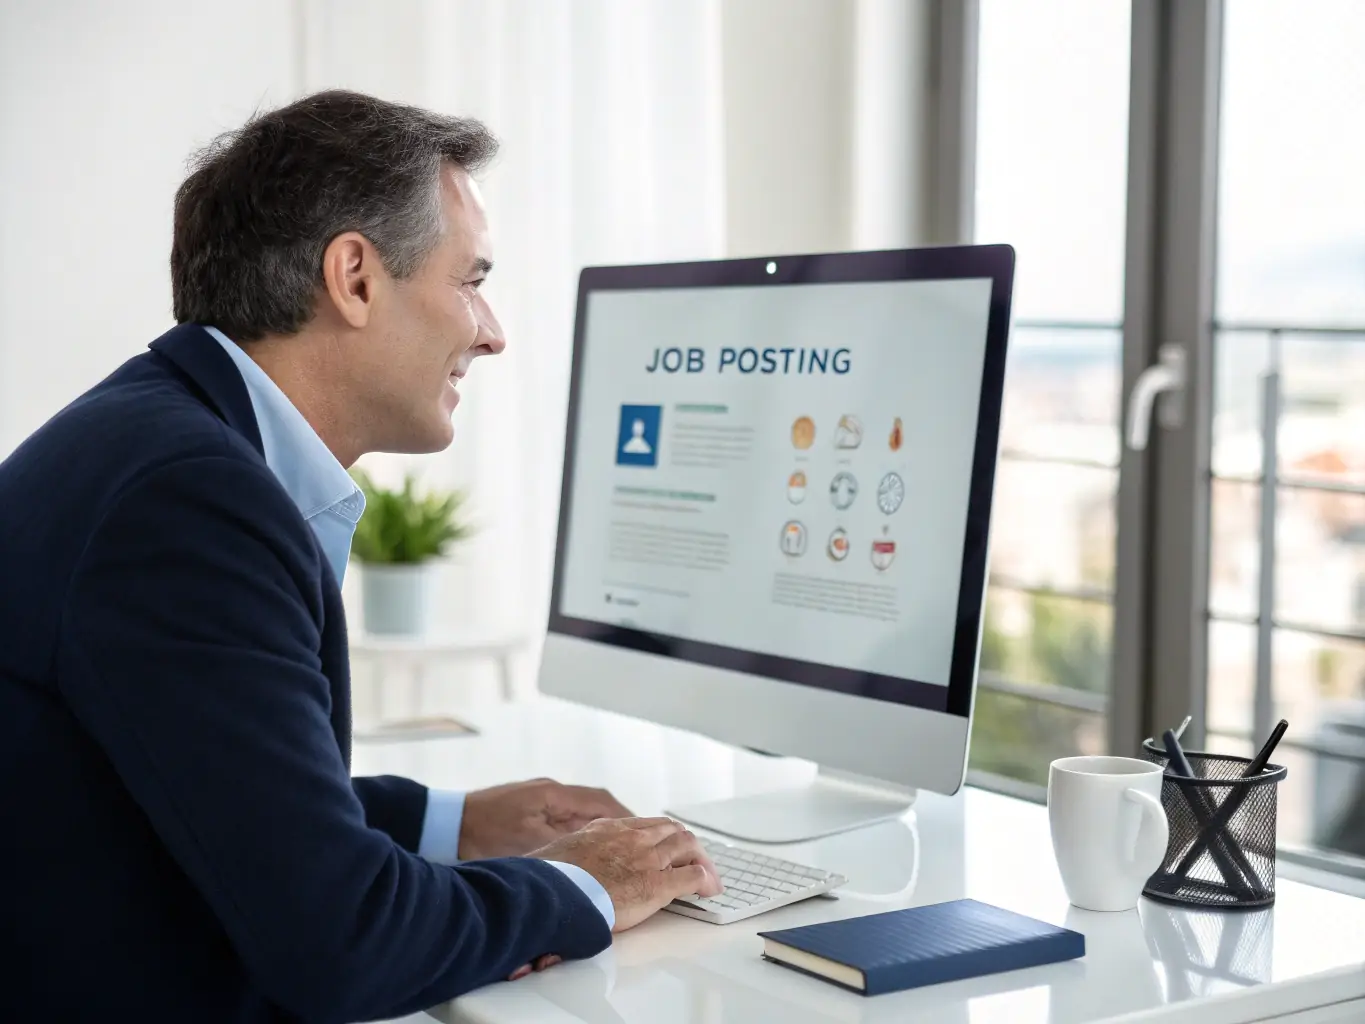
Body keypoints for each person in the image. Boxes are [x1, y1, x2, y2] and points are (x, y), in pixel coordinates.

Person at [0, 89, 720, 1022]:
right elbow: (345, 941)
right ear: (354, 277)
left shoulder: (152, 438)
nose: (492, 332)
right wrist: (588, 885)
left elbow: (208, 786)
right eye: (470, 280)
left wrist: (453, 824)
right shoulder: (188, 501)